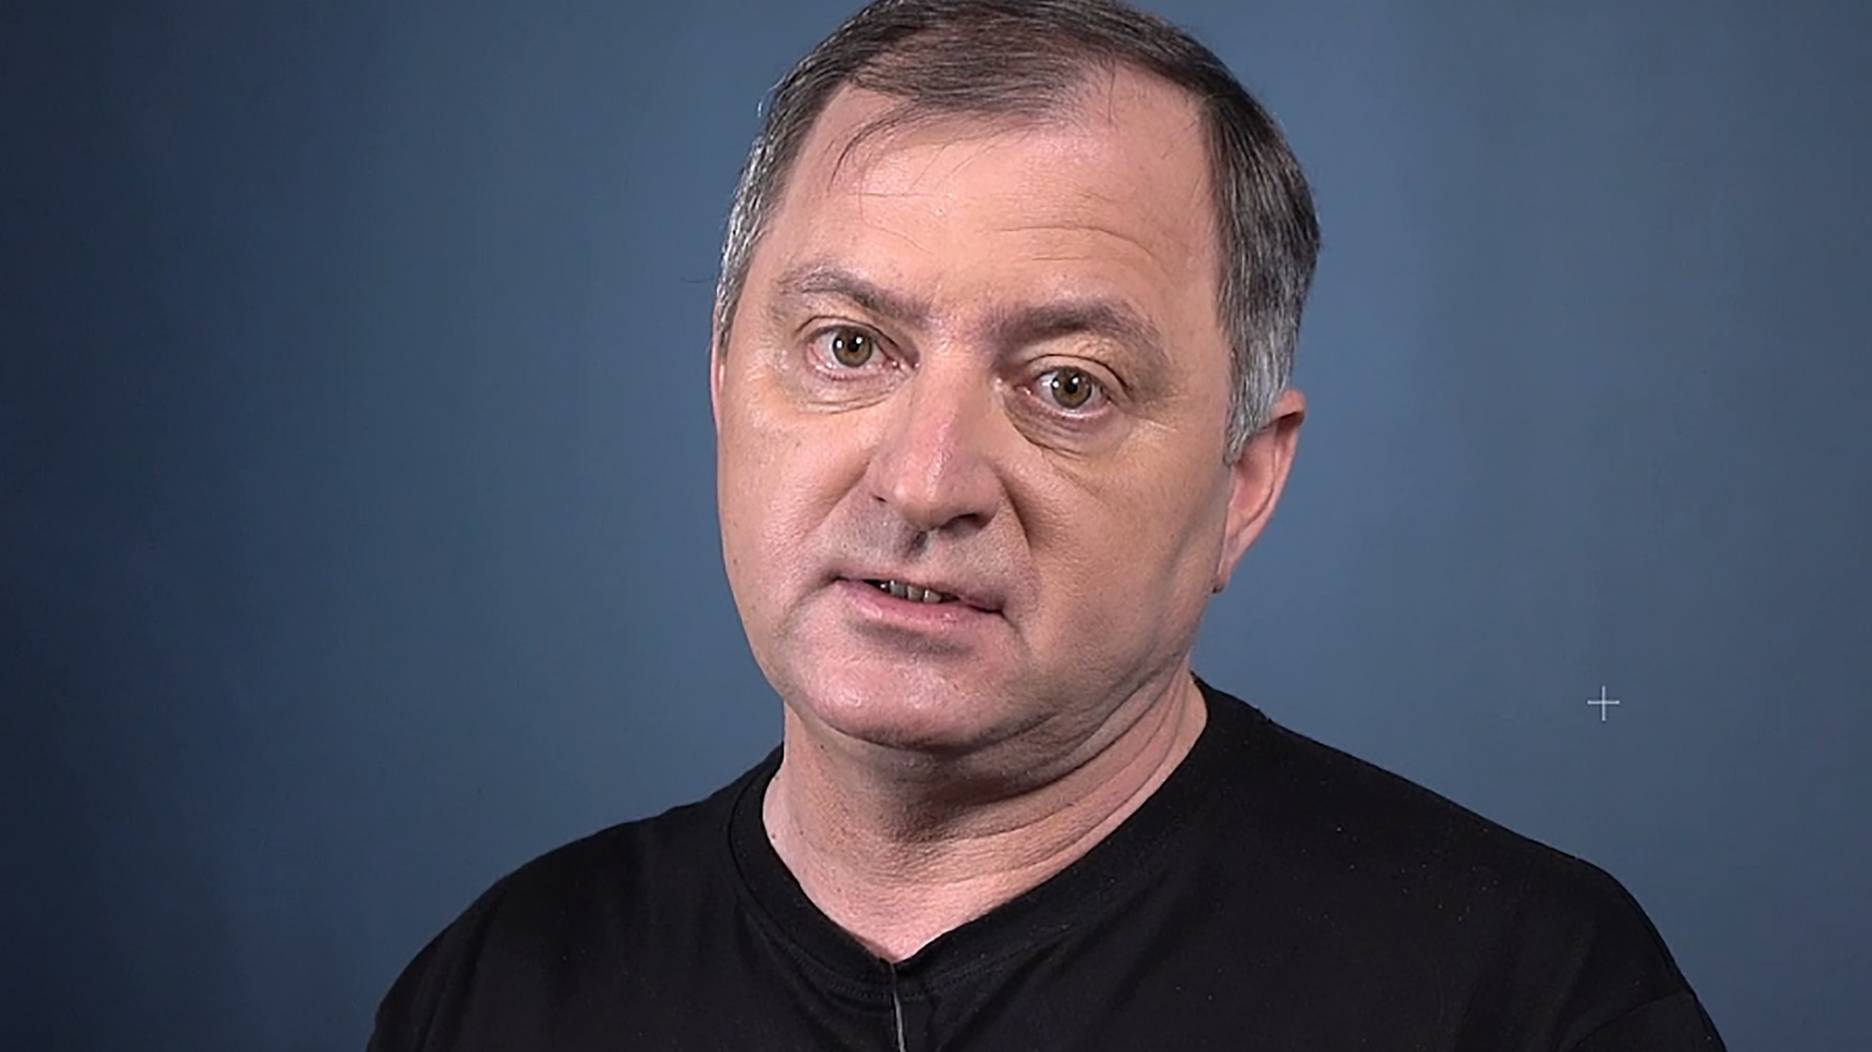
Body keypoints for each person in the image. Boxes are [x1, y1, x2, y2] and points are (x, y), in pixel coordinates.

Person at [369, 1, 1726, 1048]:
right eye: (850, 346)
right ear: (725, 385)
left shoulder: (1527, 1000)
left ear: (1244, 484)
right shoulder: (502, 990)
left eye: (1068, 384)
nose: (924, 481)